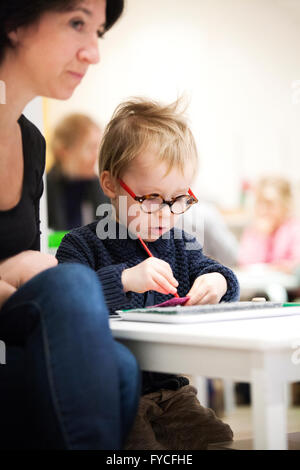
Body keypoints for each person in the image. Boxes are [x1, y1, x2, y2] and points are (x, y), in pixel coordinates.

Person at [56, 97, 240, 450]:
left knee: (218, 440)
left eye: (178, 199)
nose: (166, 213)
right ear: (110, 185)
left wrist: (218, 282)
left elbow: (217, 273)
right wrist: (125, 279)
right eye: (151, 198)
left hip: (173, 393)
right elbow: (68, 301)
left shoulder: (180, 243)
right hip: (111, 393)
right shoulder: (81, 245)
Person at [0, 0, 140, 450]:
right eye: (77, 23)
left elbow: (29, 264)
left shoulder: (30, 141)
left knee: (120, 367)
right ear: (14, 21)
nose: (92, 53)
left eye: (96, 32)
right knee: (72, 285)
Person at [47, 113, 110, 231]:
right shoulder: (44, 190)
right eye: (90, 147)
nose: (96, 155)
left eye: (97, 147)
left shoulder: (101, 187)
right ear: (64, 150)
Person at [238, 176, 300, 273]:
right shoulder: (254, 230)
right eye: (259, 202)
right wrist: (261, 236)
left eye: (269, 203)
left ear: (286, 204)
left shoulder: (294, 230)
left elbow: (296, 264)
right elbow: (245, 264)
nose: (262, 210)